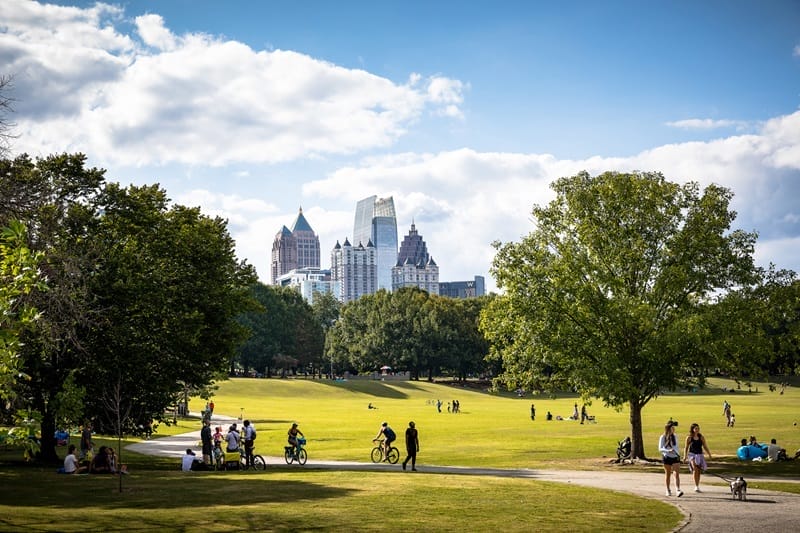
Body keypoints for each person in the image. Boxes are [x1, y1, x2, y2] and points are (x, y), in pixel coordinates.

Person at [683, 423, 712, 492]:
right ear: (692, 429)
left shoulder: (701, 437)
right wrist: (685, 456)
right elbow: (686, 447)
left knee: (698, 471)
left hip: (699, 455)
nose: (697, 430)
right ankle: (696, 486)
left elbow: (705, 446)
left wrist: (709, 454)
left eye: (698, 428)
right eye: (696, 428)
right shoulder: (689, 438)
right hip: (692, 455)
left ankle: (697, 485)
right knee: (695, 469)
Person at [658, 422, 683, 497]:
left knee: (676, 474)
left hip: (675, 457)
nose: (673, 429)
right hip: (667, 457)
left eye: (673, 428)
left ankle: (678, 490)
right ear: (668, 429)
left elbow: (676, 446)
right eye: (672, 428)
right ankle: (668, 489)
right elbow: (660, 448)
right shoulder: (663, 437)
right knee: (668, 474)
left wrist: (678, 454)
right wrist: (667, 451)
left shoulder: (675, 436)